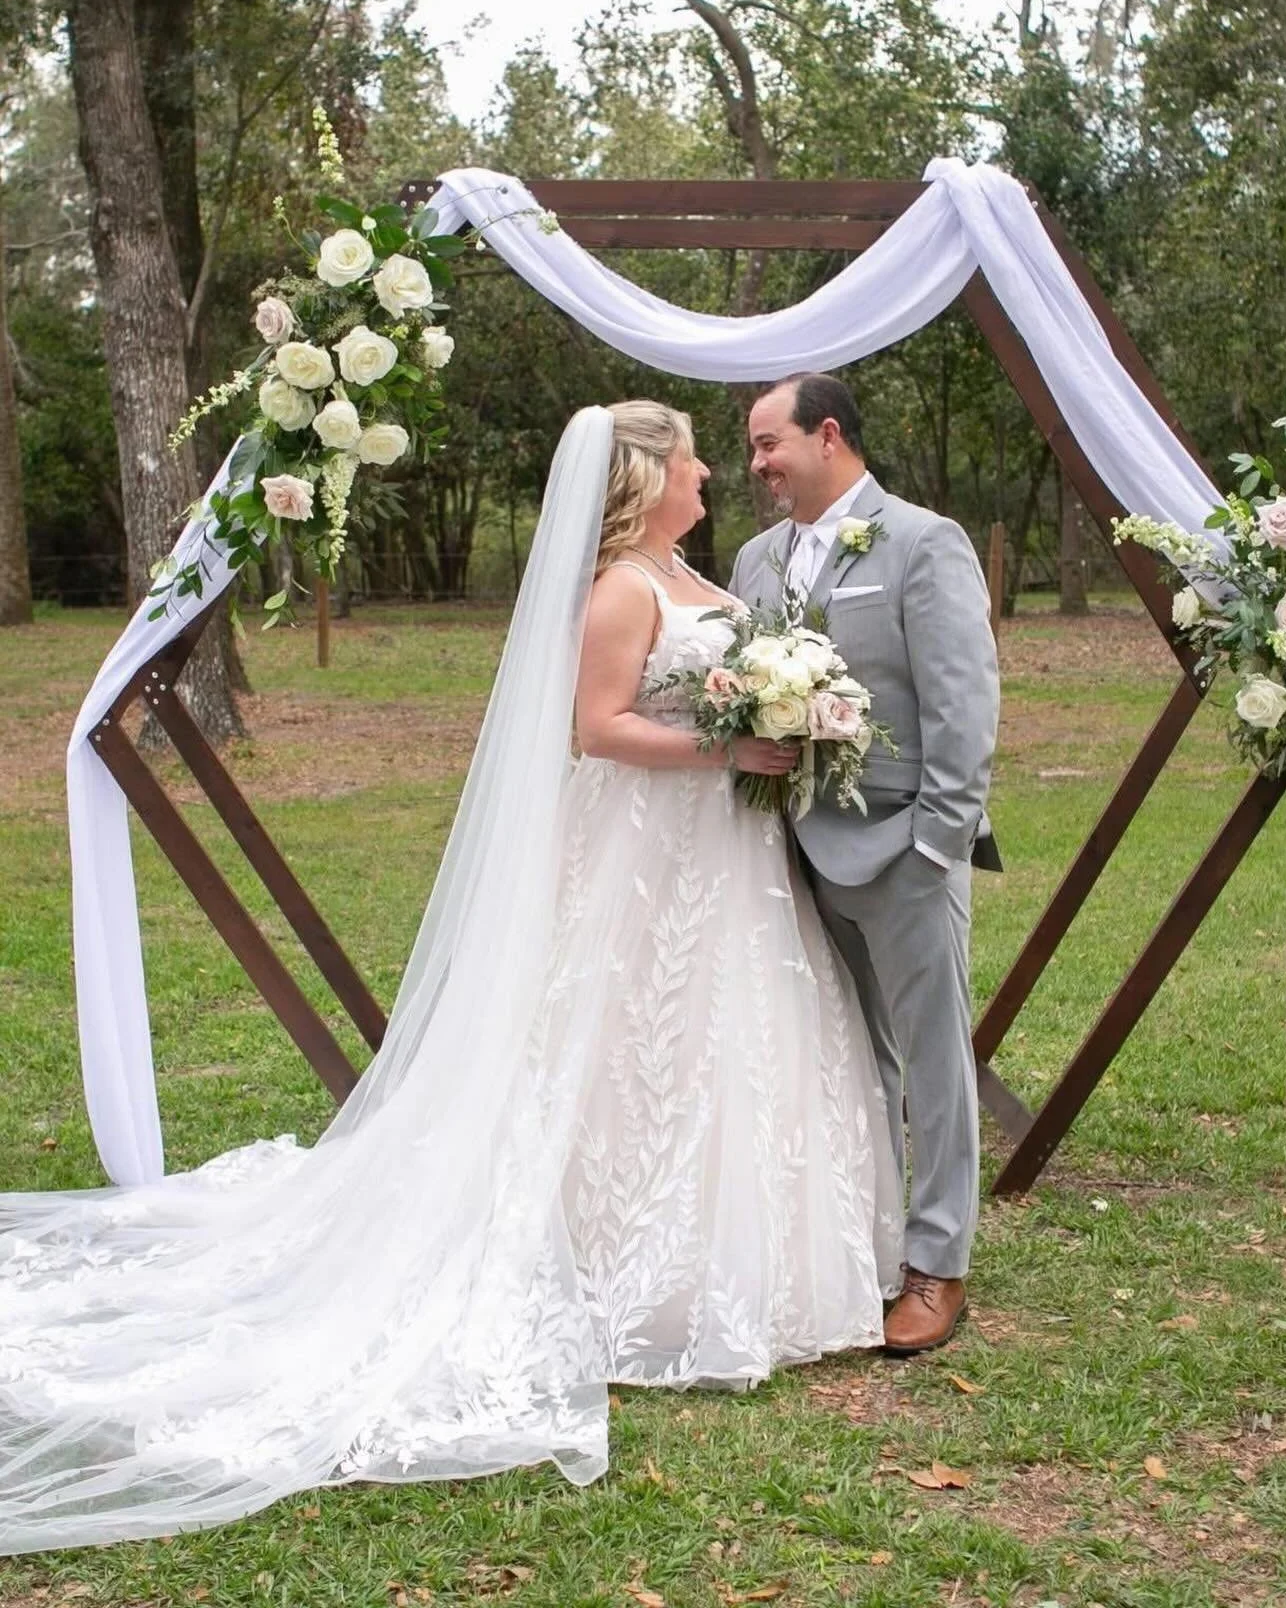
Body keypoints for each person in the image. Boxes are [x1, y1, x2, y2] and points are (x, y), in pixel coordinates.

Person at [0, 401, 899, 1555]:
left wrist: (800, 712)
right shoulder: (624, 588)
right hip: (644, 850)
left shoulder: (688, 574)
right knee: (625, 1039)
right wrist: (730, 747)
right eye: (691, 460)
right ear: (647, 476)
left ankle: (741, 1259)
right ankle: (615, 1259)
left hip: (723, 855)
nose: (710, 474)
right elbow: (595, 728)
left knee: (724, 1040)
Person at [731, 372, 1000, 1356]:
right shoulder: (755, 560)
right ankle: (871, 1242)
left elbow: (963, 701)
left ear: (829, 435)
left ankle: (938, 1263)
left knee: (933, 1059)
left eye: (769, 443)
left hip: (902, 848)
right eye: (754, 448)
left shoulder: (923, 542)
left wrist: (937, 844)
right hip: (793, 850)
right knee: (847, 1054)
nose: (757, 464)